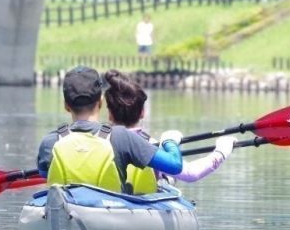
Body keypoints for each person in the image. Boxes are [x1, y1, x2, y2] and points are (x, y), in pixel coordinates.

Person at [36, 66, 182, 192]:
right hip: (112, 215)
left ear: (66, 105)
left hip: (66, 213)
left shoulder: (49, 142)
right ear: (100, 102)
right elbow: (175, 165)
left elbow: (46, 175)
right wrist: (170, 140)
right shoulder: (121, 137)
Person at [103, 69, 234, 194]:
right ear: (142, 113)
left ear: (110, 114)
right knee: (167, 177)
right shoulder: (149, 144)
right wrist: (221, 152)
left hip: (105, 202)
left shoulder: (99, 139)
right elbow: (191, 173)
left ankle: (166, 178)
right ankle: (165, 178)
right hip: (141, 204)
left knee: (167, 178)